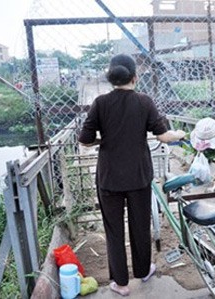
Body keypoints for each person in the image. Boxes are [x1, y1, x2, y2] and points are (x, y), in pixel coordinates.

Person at [78, 54, 185, 297]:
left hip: (109, 178)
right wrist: (179, 135)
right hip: (138, 177)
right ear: (135, 77)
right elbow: (163, 136)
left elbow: (84, 140)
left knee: (114, 230)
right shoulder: (144, 101)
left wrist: (100, 140)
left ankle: (121, 283)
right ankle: (143, 270)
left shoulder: (100, 103)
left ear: (112, 78)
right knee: (140, 225)